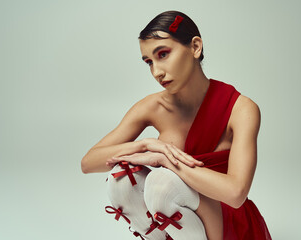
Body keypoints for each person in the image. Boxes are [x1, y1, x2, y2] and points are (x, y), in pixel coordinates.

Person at [81, 10, 272, 240]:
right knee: (121, 179)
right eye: (149, 62)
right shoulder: (152, 107)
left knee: (162, 184)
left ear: (195, 47)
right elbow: (89, 162)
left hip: (229, 223)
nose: (156, 72)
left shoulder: (241, 109)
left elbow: (236, 193)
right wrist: (145, 146)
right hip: (183, 224)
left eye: (163, 54)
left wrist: (165, 160)